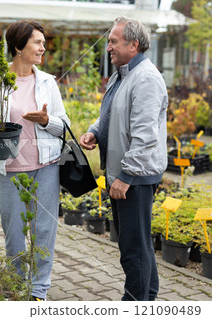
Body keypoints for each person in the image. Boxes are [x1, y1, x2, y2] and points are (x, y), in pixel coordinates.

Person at [0, 20, 70, 301]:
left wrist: (47, 120)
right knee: (14, 234)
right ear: (18, 47)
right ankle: (17, 287)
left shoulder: (47, 83)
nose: (43, 47)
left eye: (43, 42)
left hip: (46, 167)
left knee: (44, 231)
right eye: (37, 42)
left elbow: (64, 124)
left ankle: (39, 290)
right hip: (8, 169)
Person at [80, 16, 168, 301]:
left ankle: (135, 303)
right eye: (108, 41)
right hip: (125, 174)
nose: (108, 47)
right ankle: (148, 297)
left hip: (136, 178)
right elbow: (112, 113)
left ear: (134, 44)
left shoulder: (147, 79)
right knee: (137, 244)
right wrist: (96, 131)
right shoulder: (124, 73)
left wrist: (126, 177)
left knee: (132, 248)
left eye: (113, 41)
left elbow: (145, 136)